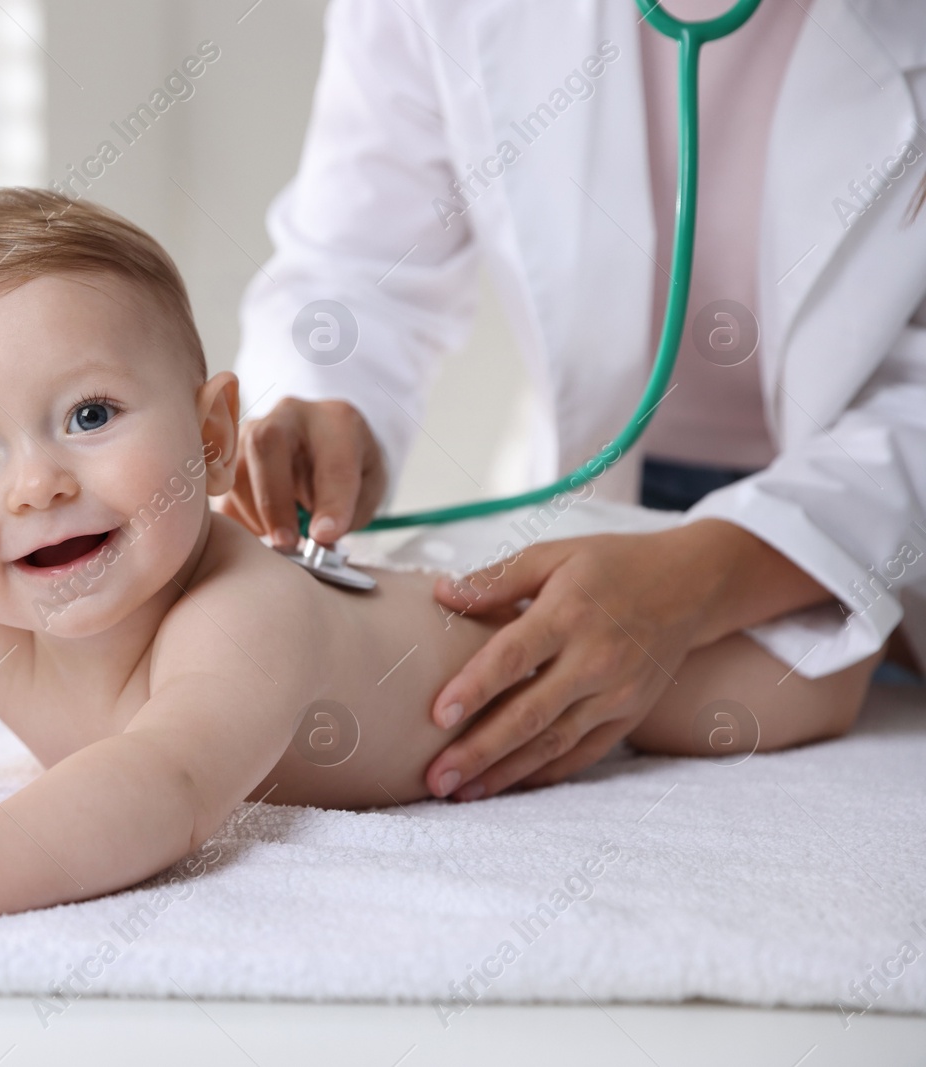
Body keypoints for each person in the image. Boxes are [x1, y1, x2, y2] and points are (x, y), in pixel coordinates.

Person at [0, 190, 879, 940]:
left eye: (87, 416)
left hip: (533, 625)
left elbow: (166, 785)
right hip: (427, 574)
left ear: (211, 432)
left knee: (790, 680)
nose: (41, 481)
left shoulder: (235, 614)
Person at [219, 0, 926, 803]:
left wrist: (718, 569)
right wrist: (329, 404)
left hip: (884, 511)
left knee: (793, 683)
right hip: (600, 512)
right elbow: (353, 266)